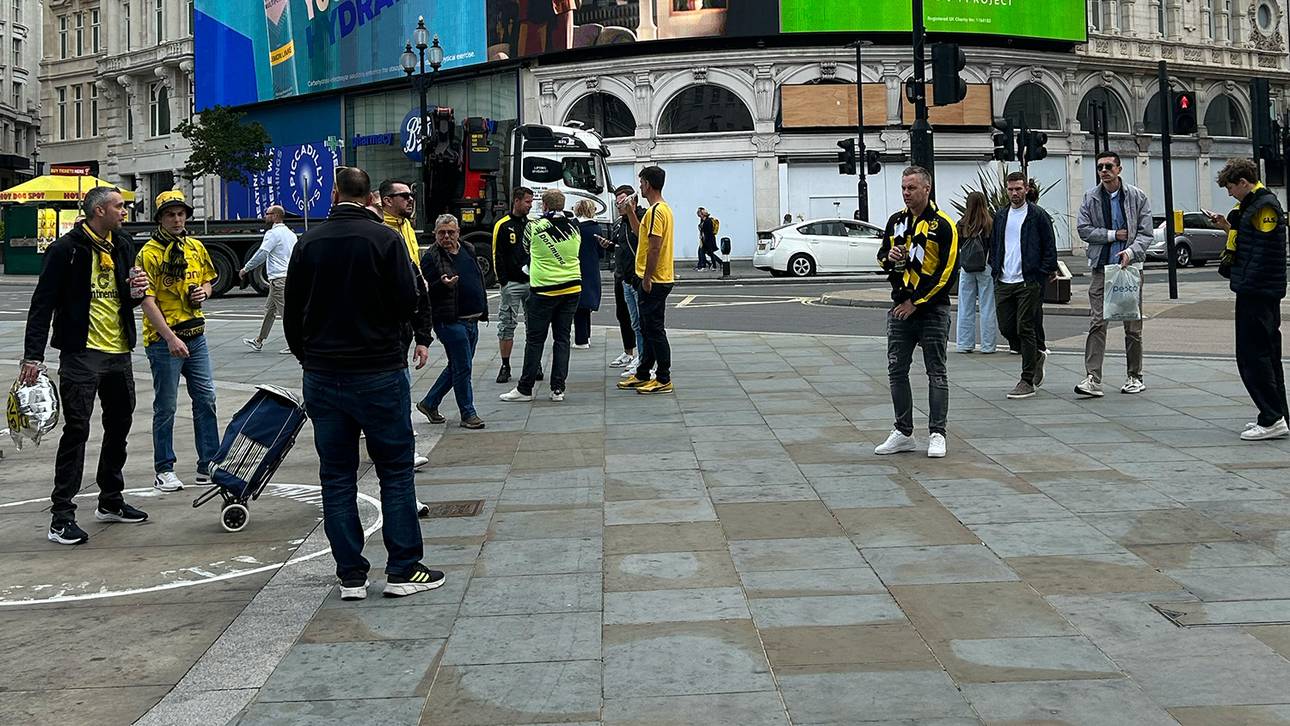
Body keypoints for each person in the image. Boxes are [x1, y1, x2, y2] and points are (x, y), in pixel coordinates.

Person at [284, 166, 444, 600]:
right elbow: (408, 300)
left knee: (336, 478)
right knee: (394, 472)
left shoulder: (308, 243)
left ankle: (351, 575)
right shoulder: (385, 240)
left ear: (334, 194)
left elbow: (292, 312)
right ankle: (403, 569)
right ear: (370, 196)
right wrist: (395, 342)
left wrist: (308, 356)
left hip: (323, 371)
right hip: (377, 370)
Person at [21, 186, 151, 545]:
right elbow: (42, 304)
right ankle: (61, 516)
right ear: (98, 212)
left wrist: (136, 291)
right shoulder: (66, 250)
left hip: (118, 351)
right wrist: (33, 356)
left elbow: (129, 297)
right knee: (77, 431)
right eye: (119, 207)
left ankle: (110, 499)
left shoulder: (122, 245)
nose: (124, 212)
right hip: (81, 354)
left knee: (120, 425)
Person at [135, 190, 220, 492]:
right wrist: (169, 338)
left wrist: (204, 292)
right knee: (166, 406)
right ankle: (164, 468)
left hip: (196, 336)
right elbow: (146, 300)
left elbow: (210, 279)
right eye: (170, 214)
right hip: (164, 340)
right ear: (160, 218)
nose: (176, 219)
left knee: (206, 400)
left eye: (181, 213)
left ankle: (209, 463)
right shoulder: (148, 253)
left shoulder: (195, 247)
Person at [873, 166, 958, 458]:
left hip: (931, 309)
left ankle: (937, 433)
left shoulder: (943, 224)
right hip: (899, 307)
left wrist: (916, 303)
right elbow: (882, 257)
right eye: (904, 188)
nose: (907, 194)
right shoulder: (896, 221)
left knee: (936, 371)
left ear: (927, 188)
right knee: (897, 370)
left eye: (912, 188)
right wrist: (889, 257)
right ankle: (903, 431)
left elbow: (947, 274)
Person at [1211, 159, 1290, 440]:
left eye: (1231, 187)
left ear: (1244, 182)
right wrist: (1226, 227)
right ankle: (1276, 414)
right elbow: (1250, 242)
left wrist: (1245, 282)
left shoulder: (1264, 206)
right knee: (1266, 355)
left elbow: (1265, 252)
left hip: (1257, 291)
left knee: (1252, 356)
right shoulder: (1253, 206)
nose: (1230, 193)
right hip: (1260, 290)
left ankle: (1271, 418)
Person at [1076, 151, 1151, 398]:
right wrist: (1111, 235)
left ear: (1119, 169)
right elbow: (1083, 229)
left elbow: (1146, 233)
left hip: (1128, 269)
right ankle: (1092, 378)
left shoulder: (1137, 197)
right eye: (1100, 167)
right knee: (1097, 322)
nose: (1104, 171)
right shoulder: (1091, 197)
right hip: (1101, 268)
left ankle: (1134, 376)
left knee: (1132, 325)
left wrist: (1130, 251)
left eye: (1109, 166)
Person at [500, 188, 583, 403]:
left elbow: (525, 250)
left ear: (544, 206)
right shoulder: (575, 225)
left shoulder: (534, 227)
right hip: (572, 287)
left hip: (544, 289)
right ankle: (558, 389)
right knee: (562, 339)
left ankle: (525, 388)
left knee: (535, 340)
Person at [378, 179, 434, 470]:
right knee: (397, 383)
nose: (411, 200)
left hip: (409, 311)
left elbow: (414, 267)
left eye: (412, 195)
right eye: (404, 196)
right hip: (392, 318)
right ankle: (402, 445)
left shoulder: (405, 226)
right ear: (386, 200)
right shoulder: (383, 231)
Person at [991, 172, 1059, 400]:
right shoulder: (1001, 215)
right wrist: (994, 266)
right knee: (1007, 328)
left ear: (1027, 189)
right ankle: (1037, 354)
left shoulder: (1037, 215)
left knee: (1025, 327)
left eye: (1018, 189)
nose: (1015, 193)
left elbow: (1049, 244)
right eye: (1010, 189)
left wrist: (1047, 270)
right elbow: (996, 242)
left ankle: (1027, 379)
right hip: (1003, 279)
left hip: (1028, 280)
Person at [418, 214, 488, 429]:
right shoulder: (431, 257)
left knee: (458, 365)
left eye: (451, 232)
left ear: (458, 232)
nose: (446, 236)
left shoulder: (468, 248)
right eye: (442, 233)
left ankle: (429, 402)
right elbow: (427, 290)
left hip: (472, 320)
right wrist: (442, 284)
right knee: (463, 367)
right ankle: (468, 413)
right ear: (435, 234)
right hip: (450, 321)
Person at [617, 166, 676, 395]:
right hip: (655, 277)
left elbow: (654, 247)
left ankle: (663, 378)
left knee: (654, 330)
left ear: (648, 185)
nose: (639, 187)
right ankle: (643, 373)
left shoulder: (656, 212)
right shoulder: (660, 210)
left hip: (655, 278)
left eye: (641, 183)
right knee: (647, 327)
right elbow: (639, 234)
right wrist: (631, 211)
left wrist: (648, 278)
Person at [492, 187, 539, 384]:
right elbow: (497, 254)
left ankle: (534, 364)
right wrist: (503, 281)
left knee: (534, 326)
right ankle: (505, 365)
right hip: (511, 282)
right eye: (527, 202)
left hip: (531, 283)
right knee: (506, 325)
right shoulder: (502, 225)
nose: (530, 205)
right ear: (517, 201)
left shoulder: (532, 225)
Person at [240, 205, 297, 354]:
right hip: (285, 278)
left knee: (287, 314)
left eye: (268, 214)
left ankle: (295, 344)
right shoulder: (290, 234)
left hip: (279, 279)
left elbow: (262, 253)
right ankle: (259, 341)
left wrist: (246, 268)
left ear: (276, 216)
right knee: (269, 311)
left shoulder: (272, 234)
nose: (265, 216)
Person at [609, 185, 646, 373]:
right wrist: (609, 246)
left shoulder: (642, 217)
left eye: (622, 201)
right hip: (622, 276)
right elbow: (620, 246)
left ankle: (643, 359)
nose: (618, 205)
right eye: (617, 201)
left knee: (641, 322)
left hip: (637, 277)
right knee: (626, 318)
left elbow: (644, 242)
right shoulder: (619, 222)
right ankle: (630, 353)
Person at [955, 191, 997, 355]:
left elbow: (958, 246)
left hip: (966, 268)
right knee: (987, 307)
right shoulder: (989, 223)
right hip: (985, 267)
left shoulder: (962, 224)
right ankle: (988, 346)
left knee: (965, 306)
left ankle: (964, 344)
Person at [573, 199, 603, 348]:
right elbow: (601, 253)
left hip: (578, 267)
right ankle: (587, 335)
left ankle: (581, 339)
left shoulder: (576, 228)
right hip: (592, 268)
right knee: (587, 305)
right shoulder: (597, 229)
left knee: (579, 305)